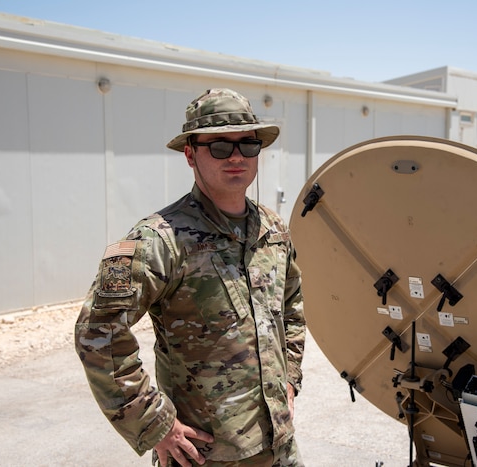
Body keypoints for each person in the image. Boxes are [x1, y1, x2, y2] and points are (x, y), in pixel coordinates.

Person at [75, 88, 306, 467]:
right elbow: (97, 333)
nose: (236, 157)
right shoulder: (160, 239)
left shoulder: (272, 228)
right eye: (218, 146)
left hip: (278, 444)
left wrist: (291, 379)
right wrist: (154, 424)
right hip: (204, 455)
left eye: (248, 145)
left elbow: (291, 304)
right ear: (190, 154)